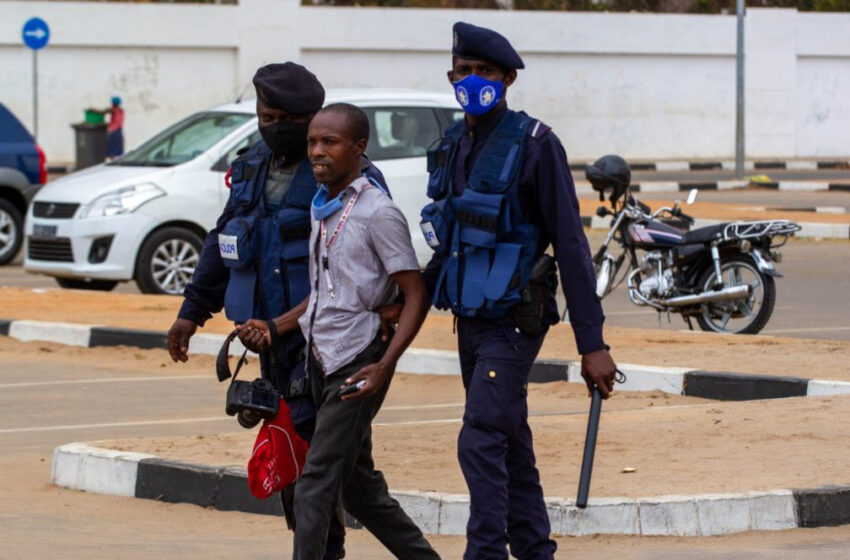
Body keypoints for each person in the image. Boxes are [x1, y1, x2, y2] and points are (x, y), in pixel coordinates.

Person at [413, 22, 619, 560]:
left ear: (508, 79)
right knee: (508, 441)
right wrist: (406, 301)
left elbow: (572, 247)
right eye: (464, 71)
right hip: (470, 320)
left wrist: (591, 344)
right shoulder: (454, 145)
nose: (473, 80)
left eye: (485, 72)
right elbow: (451, 244)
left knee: (479, 439)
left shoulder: (536, 145)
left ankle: (484, 553)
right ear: (451, 77)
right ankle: (534, 550)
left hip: (515, 320)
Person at [166, 63, 386, 560]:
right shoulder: (249, 165)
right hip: (270, 345)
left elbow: (373, 273)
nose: (276, 126)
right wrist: (193, 309)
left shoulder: (344, 172)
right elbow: (223, 239)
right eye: (267, 116)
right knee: (302, 463)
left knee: (337, 473)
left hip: (331, 347)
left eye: (290, 119)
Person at [238, 103, 441, 560]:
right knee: (359, 489)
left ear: (359, 147)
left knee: (314, 483)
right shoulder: (322, 205)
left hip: (358, 363)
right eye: (313, 141)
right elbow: (324, 291)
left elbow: (414, 293)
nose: (317, 151)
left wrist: (384, 366)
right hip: (319, 357)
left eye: (329, 142)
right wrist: (276, 326)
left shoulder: (378, 213)